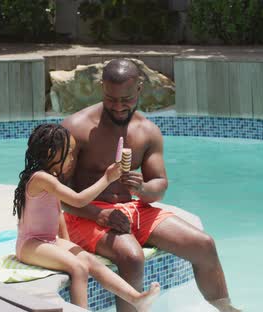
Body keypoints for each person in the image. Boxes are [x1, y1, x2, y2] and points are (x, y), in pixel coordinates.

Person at [61, 59, 241, 312]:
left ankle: (225, 308)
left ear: (139, 88)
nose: (119, 106)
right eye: (112, 99)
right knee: (131, 257)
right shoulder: (76, 128)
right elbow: (58, 194)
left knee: (204, 245)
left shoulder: (147, 131)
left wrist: (144, 190)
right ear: (102, 87)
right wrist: (99, 214)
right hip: (84, 213)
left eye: (126, 99)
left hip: (131, 209)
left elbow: (160, 183)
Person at [13, 123, 160, 311]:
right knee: (78, 268)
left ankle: (135, 298)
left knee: (90, 261)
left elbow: (57, 213)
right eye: (68, 154)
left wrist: (66, 244)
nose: (71, 159)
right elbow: (78, 200)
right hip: (30, 244)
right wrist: (107, 178)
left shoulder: (51, 177)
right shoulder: (41, 178)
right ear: (51, 153)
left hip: (49, 241)